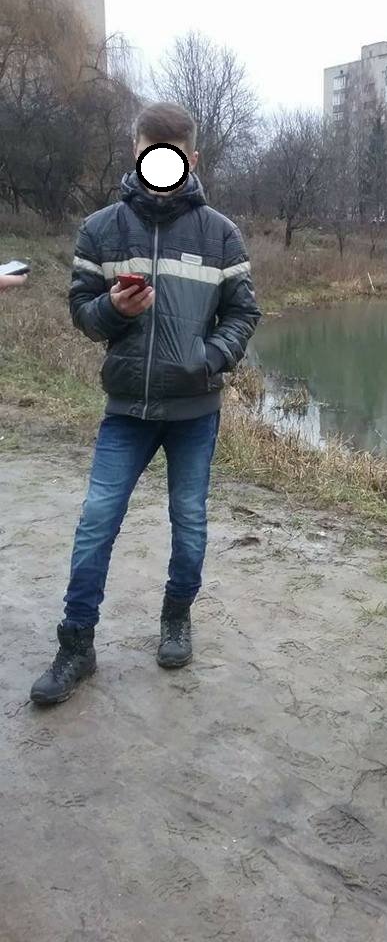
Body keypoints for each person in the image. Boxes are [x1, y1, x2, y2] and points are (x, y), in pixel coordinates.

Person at [30, 102, 261, 705]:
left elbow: (243, 313)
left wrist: (208, 359)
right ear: (135, 151)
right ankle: (76, 644)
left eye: (172, 154)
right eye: (149, 152)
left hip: (195, 412)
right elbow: (82, 313)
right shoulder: (100, 228)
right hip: (126, 410)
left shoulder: (220, 233)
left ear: (191, 158)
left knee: (189, 520)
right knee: (96, 521)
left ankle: (176, 619)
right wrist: (113, 309)